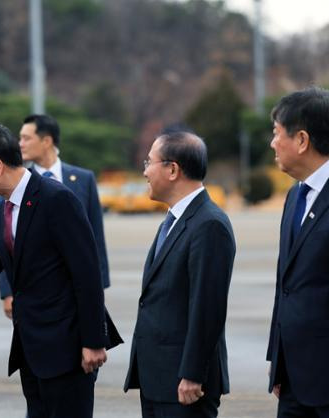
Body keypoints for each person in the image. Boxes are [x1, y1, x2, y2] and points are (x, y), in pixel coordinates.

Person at [0, 123, 121, 418]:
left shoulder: (57, 199)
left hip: (68, 350)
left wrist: (93, 342)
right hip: (32, 351)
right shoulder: (3, 211)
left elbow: (87, 274)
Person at [123, 131, 235, 418]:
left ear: (172, 169)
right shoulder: (175, 220)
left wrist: (193, 374)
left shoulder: (209, 225)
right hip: (158, 379)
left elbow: (207, 308)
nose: (145, 171)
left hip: (185, 384)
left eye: (149, 162)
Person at [266, 87, 329, 417]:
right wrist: (277, 363)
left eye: (277, 134)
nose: (272, 143)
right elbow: (286, 285)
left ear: (302, 140)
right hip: (293, 379)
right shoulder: (295, 196)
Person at [0, 114, 110, 319]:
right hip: (32, 291)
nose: (20, 144)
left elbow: (96, 238)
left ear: (47, 141)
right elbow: (5, 240)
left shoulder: (84, 179)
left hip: (76, 287)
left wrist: (98, 286)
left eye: (26, 138)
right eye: (19, 138)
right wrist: (7, 292)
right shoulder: (16, 182)